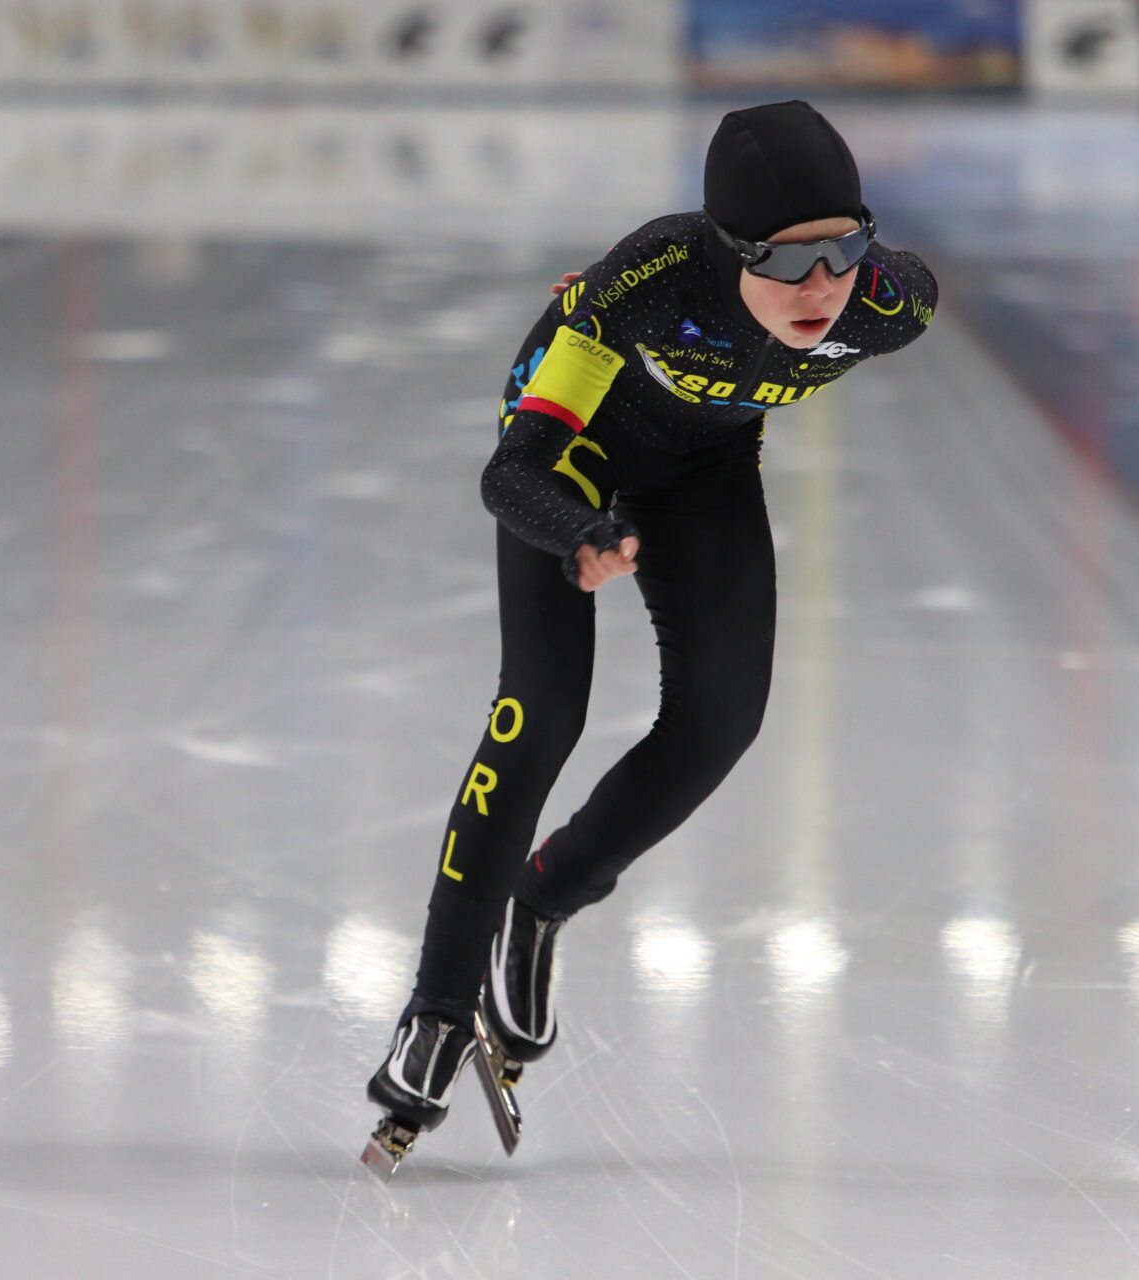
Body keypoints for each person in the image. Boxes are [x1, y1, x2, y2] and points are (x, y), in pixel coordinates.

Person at [365, 102, 938, 1141]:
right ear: (728, 248)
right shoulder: (648, 282)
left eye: (843, 250)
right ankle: (438, 1005)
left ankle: (544, 898)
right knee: (541, 712)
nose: (821, 287)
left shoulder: (888, 304)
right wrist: (578, 530)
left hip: (704, 466)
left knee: (723, 719)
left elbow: (866, 281)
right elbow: (511, 470)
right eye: (787, 260)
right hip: (573, 457)